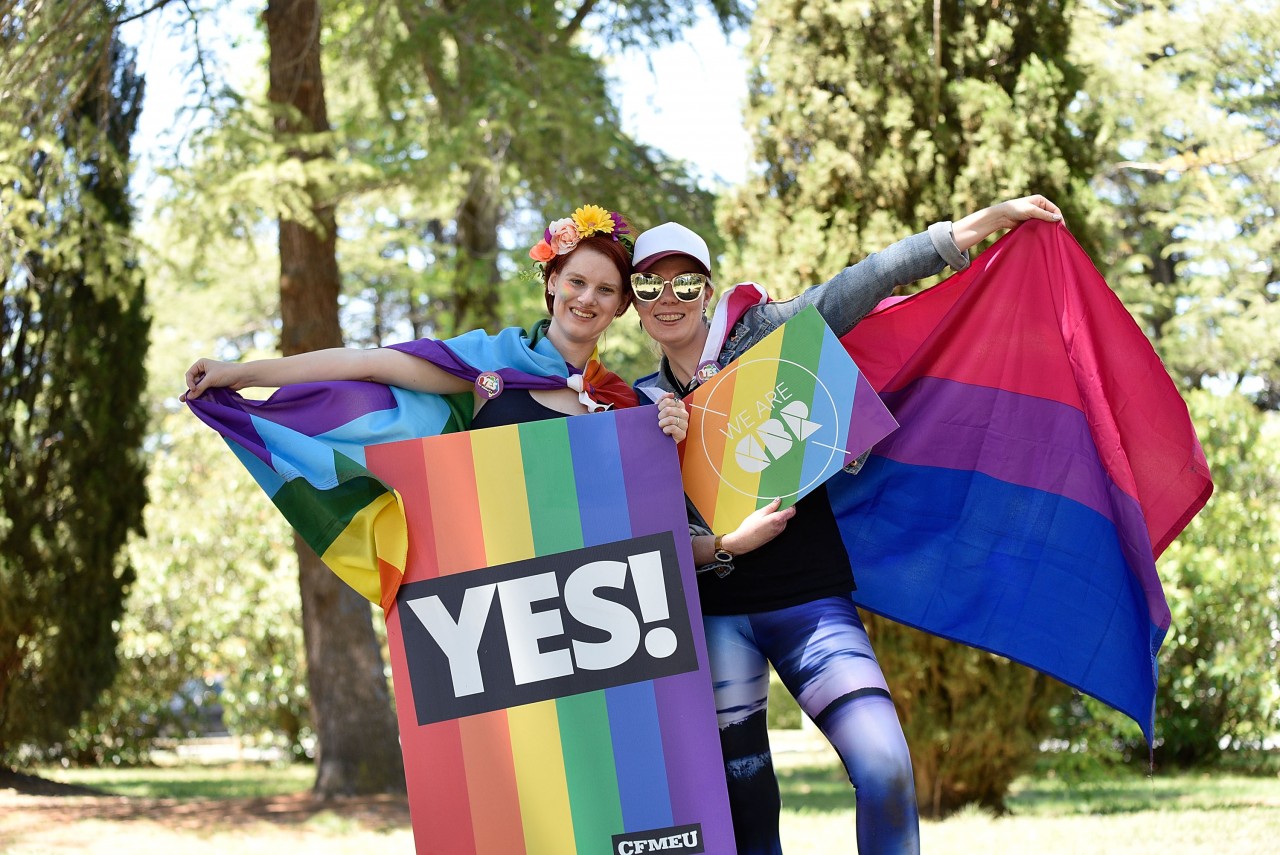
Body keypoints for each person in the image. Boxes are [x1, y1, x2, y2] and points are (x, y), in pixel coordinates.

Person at [630, 196, 1065, 855]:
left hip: (810, 603)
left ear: (708, 288)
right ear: (634, 303)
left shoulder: (768, 332)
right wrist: (721, 541)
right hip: (716, 620)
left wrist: (970, 229)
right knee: (745, 802)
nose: (669, 297)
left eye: (685, 281)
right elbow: (647, 545)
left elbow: (865, 278)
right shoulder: (636, 406)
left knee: (885, 766)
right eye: (649, 285)